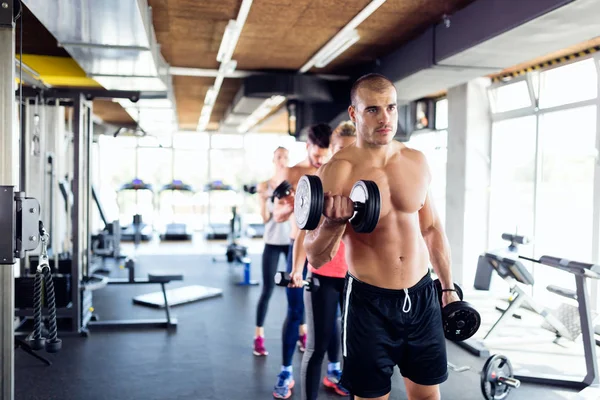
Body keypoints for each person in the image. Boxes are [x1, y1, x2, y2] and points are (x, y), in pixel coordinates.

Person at [303, 73, 460, 400]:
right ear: (353, 114)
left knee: (429, 396)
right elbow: (315, 256)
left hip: (421, 296)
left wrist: (447, 288)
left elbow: (430, 229)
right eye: (372, 109)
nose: (385, 117)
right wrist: (333, 224)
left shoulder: (415, 160)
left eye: (390, 107)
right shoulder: (338, 170)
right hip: (368, 304)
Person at [290, 121, 357, 400]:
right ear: (333, 149)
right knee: (316, 347)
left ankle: (343, 380)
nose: (344, 155)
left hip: (356, 278)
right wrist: (295, 269)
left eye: (351, 150)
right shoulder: (320, 180)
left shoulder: (368, 182)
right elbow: (302, 233)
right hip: (323, 274)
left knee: (354, 348)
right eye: (339, 149)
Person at [272, 123, 333, 399]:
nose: (318, 159)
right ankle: (285, 371)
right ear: (307, 146)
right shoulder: (293, 173)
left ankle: (334, 369)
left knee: (333, 317)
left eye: (323, 154)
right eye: (315, 153)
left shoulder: (336, 172)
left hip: (327, 251)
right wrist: (289, 207)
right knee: (295, 312)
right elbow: (277, 215)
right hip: (298, 249)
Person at [253, 147, 292, 356]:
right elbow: (264, 218)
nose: (282, 160)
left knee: (295, 291)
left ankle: (302, 333)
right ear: (273, 159)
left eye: (285, 157)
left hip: (291, 242)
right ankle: (258, 336)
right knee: (267, 290)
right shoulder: (265, 186)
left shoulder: (294, 182)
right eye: (279, 157)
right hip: (271, 241)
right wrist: (262, 199)